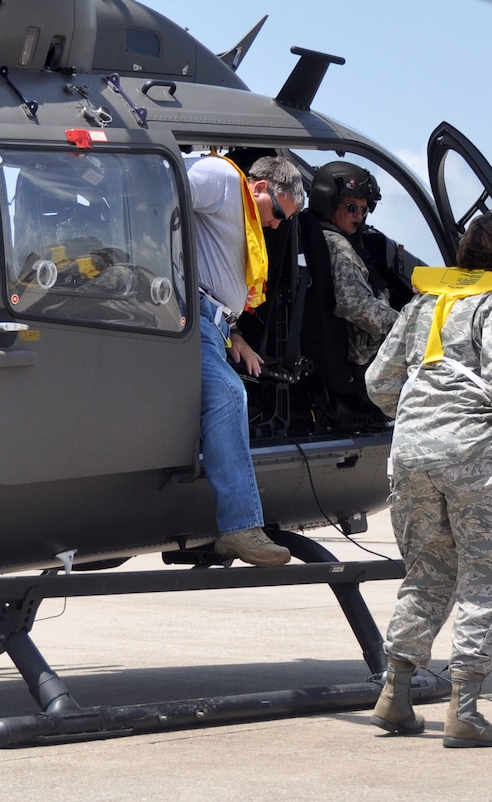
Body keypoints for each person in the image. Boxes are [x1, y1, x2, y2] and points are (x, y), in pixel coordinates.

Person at [365, 210, 492, 748]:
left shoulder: (425, 302)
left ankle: (395, 695)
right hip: (477, 457)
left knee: (426, 574)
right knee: (489, 576)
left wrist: (421, 416)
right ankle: (465, 711)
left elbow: (379, 382)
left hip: (411, 457)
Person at [187, 154, 305, 567]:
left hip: (215, 324)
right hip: (190, 314)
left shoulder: (237, 205)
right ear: (259, 188)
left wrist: (233, 333)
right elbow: (161, 198)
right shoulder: (220, 178)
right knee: (228, 396)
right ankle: (239, 528)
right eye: (276, 213)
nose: (275, 225)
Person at [308, 161, 398, 367]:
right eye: (352, 208)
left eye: (364, 210)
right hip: (366, 359)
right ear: (329, 203)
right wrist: (404, 325)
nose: (359, 216)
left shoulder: (324, 236)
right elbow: (353, 303)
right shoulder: (337, 245)